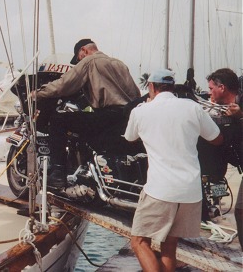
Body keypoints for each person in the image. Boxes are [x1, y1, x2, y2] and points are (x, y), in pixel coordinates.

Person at [124, 69, 223, 272]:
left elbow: (130, 137)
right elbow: (217, 138)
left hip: (160, 191)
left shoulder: (141, 111)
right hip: (190, 192)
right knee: (169, 245)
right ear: (172, 86)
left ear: (151, 87)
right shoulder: (193, 108)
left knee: (138, 241)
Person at [32, 38, 141, 188]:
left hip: (107, 116)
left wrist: (38, 93)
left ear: (84, 50)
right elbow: (135, 93)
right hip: (127, 116)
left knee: (58, 120)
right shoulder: (120, 64)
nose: (78, 61)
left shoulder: (90, 61)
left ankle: (58, 174)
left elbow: (64, 84)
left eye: (78, 58)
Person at [205, 68, 242, 251]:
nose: (209, 92)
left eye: (212, 88)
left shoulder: (240, 107)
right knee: (241, 211)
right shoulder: (222, 110)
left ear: (222, 87)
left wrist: (240, 116)